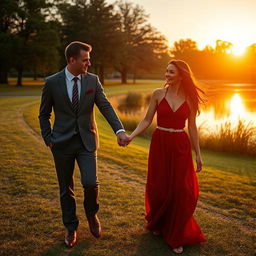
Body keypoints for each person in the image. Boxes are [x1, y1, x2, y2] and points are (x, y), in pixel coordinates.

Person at [38, 41, 128, 248]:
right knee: (65, 188)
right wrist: (48, 138)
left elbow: (105, 106)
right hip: (61, 143)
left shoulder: (93, 81)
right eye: (85, 59)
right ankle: (71, 227)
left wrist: (119, 130)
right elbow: (44, 114)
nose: (89, 62)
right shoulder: (52, 82)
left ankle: (91, 215)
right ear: (72, 60)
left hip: (87, 142)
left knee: (90, 182)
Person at [127, 60, 206, 254]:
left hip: (180, 144)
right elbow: (146, 120)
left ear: (181, 76)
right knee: (159, 187)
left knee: (181, 189)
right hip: (160, 143)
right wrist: (131, 136)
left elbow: (193, 128)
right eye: (166, 71)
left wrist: (198, 153)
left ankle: (176, 234)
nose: (167, 75)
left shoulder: (190, 98)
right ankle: (159, 222)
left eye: (171, 72)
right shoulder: (157, 94)